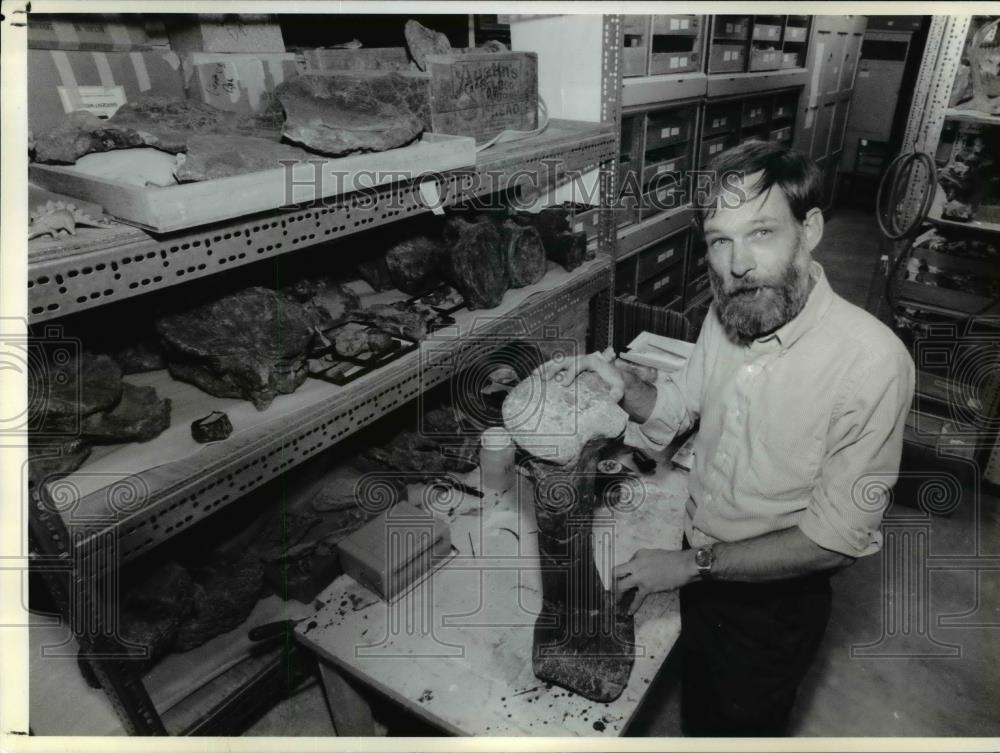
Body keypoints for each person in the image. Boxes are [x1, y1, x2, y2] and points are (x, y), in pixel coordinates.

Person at [543, 141, 915, 736]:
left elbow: (833, 541)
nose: (738, 263)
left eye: (762, 233)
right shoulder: (728, 315)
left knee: (742, 723)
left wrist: (690, 566)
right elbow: (676, 412)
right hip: (700, 566)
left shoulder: (871, 363)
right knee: (702, 710)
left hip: (773, 603)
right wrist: (624, 388)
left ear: (810, 229)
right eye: (721, 240)